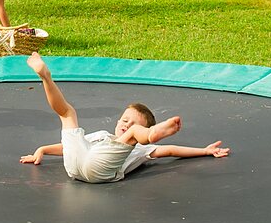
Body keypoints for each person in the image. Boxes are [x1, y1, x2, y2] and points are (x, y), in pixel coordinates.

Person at [20, 53, 230, 184]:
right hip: (76, 165)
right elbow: (69, 146)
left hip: (98, 169)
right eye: (124, 119)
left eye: (133, 123)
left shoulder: (141, 148)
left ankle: (152, 133)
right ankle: (45, 77)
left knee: (71, 117)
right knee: (67, 113)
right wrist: (43, 150)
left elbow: (172, 150)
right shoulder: (103, 135)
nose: (126, 124)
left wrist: (205, 151)